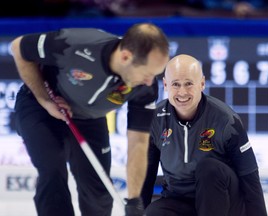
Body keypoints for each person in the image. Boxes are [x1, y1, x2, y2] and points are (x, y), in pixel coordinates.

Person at [11, 23, 170, 216]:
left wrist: (134, 200)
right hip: (41, 107)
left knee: (98, 192)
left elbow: (138, 143)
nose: (149, 82)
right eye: (147, 73)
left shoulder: (145, 88)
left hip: (89, 117)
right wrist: (44, 99)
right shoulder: (73, 44)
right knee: (52, 169)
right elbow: (18, 47)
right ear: (126, 57)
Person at [141, 54, 268, 216]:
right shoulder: (155, 120)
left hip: (224, 203)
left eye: (188, 84)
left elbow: (250, 177)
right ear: (165, 85)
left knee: (209, 168)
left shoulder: (226, 120)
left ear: (202, 83)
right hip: (180, 201)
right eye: (175, 84)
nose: (182, 92)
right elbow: (145, 176)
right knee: (154, 213)